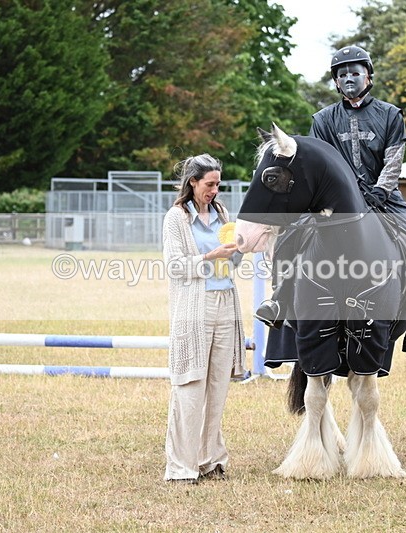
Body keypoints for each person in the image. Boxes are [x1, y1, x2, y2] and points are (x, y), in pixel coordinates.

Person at [309, 44, 406, 357]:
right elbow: (322, 162)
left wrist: (380, 191)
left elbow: (393, 160)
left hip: (386, 199)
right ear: (336, 82)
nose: (349, 77)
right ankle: (282, 307)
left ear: (368, 75)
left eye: (355, 71)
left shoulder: (391, 115)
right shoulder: (323, 119)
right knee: (295, 236)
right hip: (338, 202)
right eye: (343, 73)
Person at [162, 153, 247, 484]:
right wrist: (211, 256)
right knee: (190, 385)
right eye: (209, 184)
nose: (215, 190)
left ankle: (210, 459)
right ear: (193, 182)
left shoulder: (223, 214)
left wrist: (239, 249)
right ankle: (181, 467)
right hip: (194, 307)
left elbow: (232, 265)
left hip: (226, 303)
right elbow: (175, 266)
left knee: (217, 386)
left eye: (218, 184)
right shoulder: (175, 219)